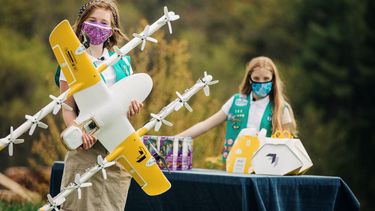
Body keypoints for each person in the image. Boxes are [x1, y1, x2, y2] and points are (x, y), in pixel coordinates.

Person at [55, 0, 142, 210]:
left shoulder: (122, 61)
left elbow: (122, 106)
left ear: (112, 29)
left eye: (104, 22)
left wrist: (133, 107)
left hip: (116, 146)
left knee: (111, 204)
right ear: (82, 23)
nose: (98, 26)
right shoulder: (71, 61)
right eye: (92, 21)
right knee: (78, 203)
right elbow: (67, 108)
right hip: (87, 144)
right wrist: (76, 130)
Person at [177, 56, 297, 162]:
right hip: (234, 166)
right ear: (249, 79)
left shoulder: (281, 108)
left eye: (266, 79)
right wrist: (173, 140)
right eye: (256, 78)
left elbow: (286, 146)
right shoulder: (236, 101)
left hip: (264, 170)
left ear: (273, 80)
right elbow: (204, 126)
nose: (261, 82)